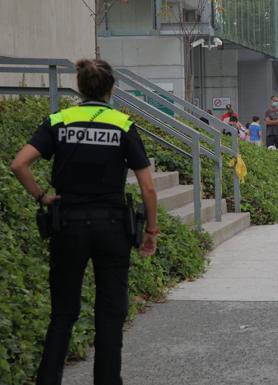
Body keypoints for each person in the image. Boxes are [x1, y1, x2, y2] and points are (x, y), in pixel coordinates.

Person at [10, 59, 159, 385]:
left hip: (69, 225)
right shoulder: (122, 124)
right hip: (111, 227)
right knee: (110, 314)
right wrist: (152, 230)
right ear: (110, 89)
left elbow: (19, 164)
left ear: (79, 87)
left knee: (62, 313)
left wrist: (42, 197)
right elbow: (147, 185)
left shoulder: (59, 120)